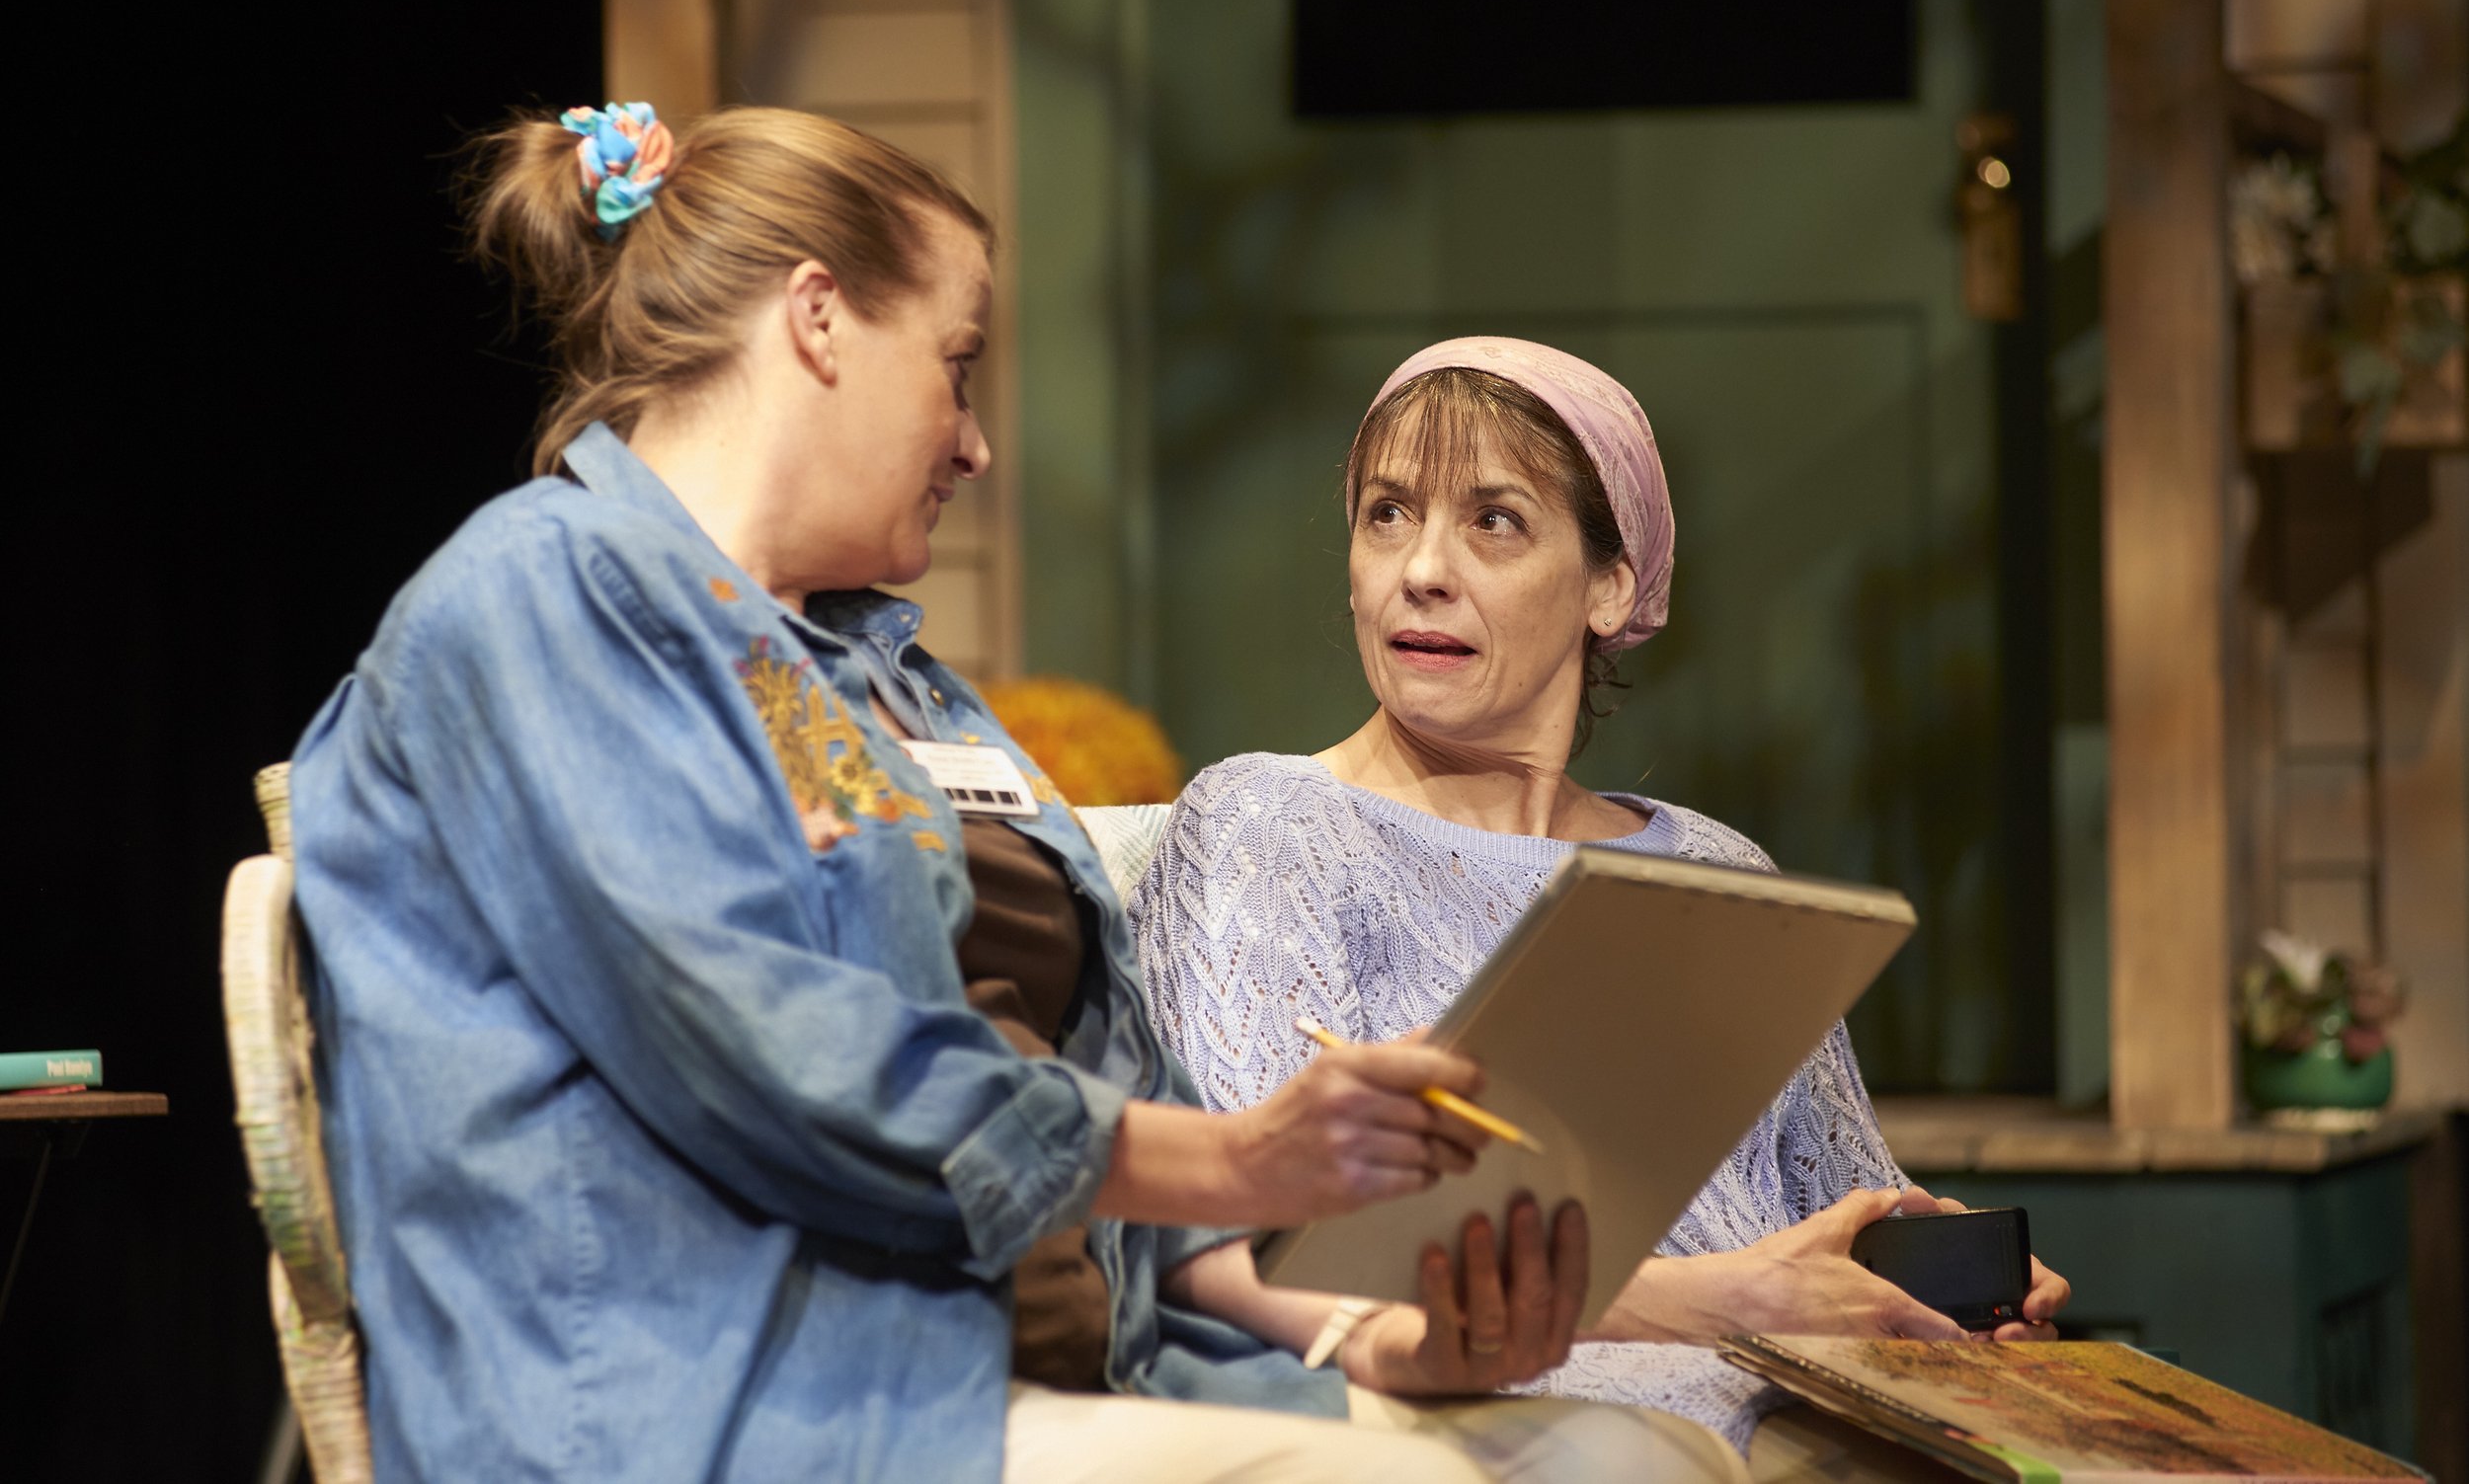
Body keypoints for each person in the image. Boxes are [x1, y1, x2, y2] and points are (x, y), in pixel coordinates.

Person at [289, 109, 1753, 1484]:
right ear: (817, 323)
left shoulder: (863, 674)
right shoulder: (549, 604)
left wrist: (1390, 1334)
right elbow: (808, 1070)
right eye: (958, 362)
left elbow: (1136, 1149)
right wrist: (1241, 1155)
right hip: (756, 1408)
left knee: (1641, 1457)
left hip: (1083, 1376)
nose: (977, 439)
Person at [1131, 337, 2072, 1467]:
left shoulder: (1716, 869)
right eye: (1386, 514)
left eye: (1493, 521)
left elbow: (1842, 1197)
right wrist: (1729, 1297)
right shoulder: (1266, 820)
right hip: (1493, 1406)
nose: (1420, 568)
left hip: (1797, 1389)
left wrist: (1941, 1267)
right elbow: (1273, 1244)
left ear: (1610, 584)